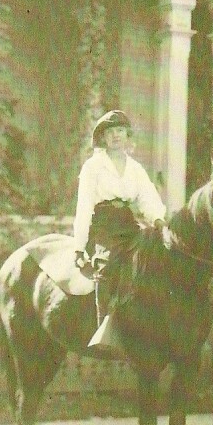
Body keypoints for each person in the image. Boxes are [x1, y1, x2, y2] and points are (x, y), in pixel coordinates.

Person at [73, 110, 167, 356]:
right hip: (103, 226)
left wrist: (159, 221)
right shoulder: (93, 166)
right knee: (107, 266)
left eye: (120, 131)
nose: (116, 136)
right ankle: (104, 331)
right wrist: (79, 246)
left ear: (127, 135)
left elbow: (148, 198)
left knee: (151, 259)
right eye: (110, 132)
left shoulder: (135, 168)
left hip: (128, 222)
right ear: (103, 138)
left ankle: (148, 327)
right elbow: (84, 206)